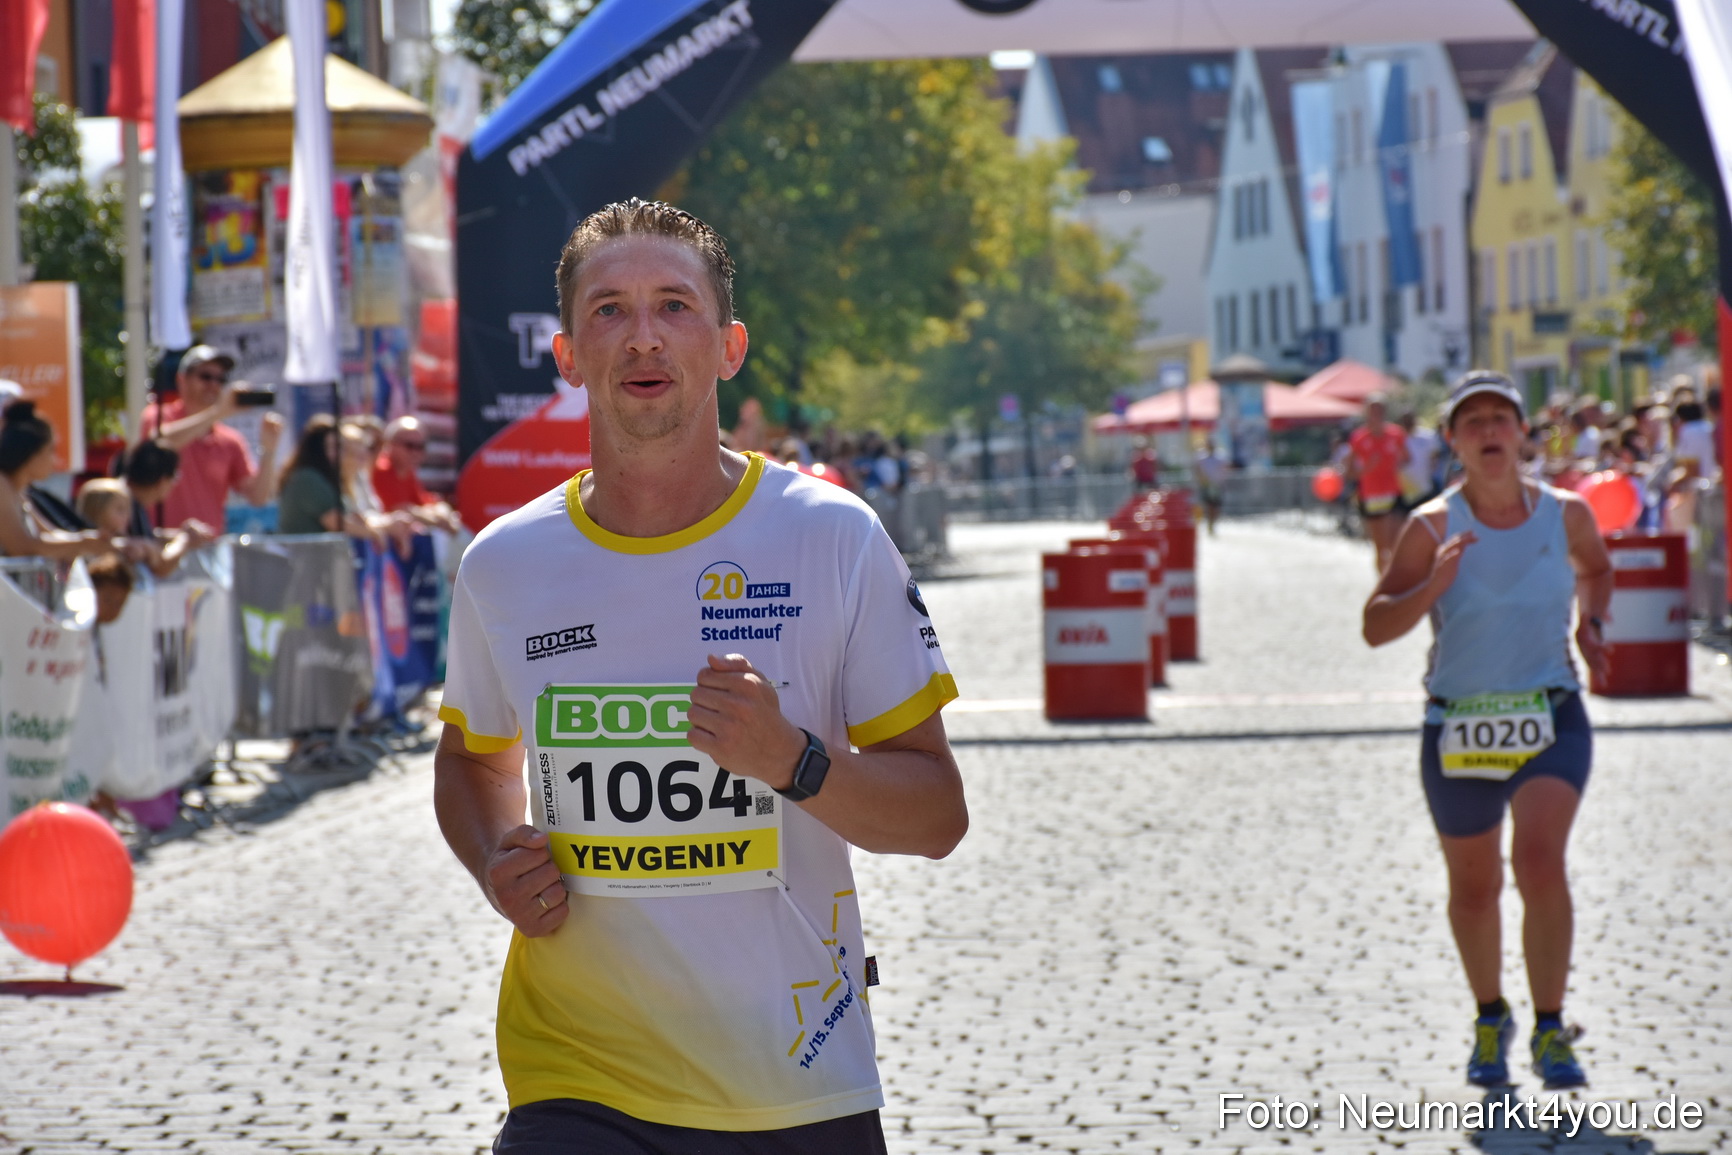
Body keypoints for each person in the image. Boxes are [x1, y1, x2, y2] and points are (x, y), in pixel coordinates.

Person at [433, 198, 967, 1154]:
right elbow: (470, 761)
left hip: (793, 1079)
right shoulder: (504, 564)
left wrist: (793, 761)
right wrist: (492, 862)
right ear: (568, 357)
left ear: (729, 346)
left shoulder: (832, 537)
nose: (643, 336)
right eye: (609, 310)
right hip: (573, 1076)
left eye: (674, 305)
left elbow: (937, 816)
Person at [1362, 370, 1612, 1092]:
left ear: (1523, 432)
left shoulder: (1565, 514)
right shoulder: (1430, 526)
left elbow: (1597, 570)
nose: (1490, 430)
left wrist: (1590, 624)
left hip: (1550, 712)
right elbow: (1375, 625)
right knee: (1474, 888)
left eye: (1502, 417)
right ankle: (1490, 1015)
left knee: (1539, 861)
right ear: (1452, 441)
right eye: (1473, 422)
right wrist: (1431, 587)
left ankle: (1550, 1026)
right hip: (1459, 725)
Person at [138, 345, 283, 531]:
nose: (213, 385)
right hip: (162, 540)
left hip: (210, 545)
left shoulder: (230, 440)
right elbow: (158, 444)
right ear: (182, 379)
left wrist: (269, 450)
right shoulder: (158, 416)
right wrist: (217, 412)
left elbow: (257, 497)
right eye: (205, 377)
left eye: (221, 379)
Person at [0, 400, 113, 561]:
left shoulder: (17, 490)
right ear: (31, 453)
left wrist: (90, 540)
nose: (55, 460)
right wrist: (82, 543)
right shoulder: (2, 485)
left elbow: (49, 534)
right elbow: (21, 547)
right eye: (51, 450)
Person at [1343, 393, 1410, 573]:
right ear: (1367, 412)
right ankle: (1383, 583)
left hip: (1394, 492)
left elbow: (1406, 458)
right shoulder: (1359, 438)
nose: (1377, 414)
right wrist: (1367, 468)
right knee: (1381, 548)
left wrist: (1396, 464)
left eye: (1380, 409)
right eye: (1373, 410)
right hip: (1372, 495)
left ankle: (1397, 581)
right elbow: (1348, 472)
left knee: (1397, 543)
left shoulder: (1396, 434)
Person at [372, 416, 463, 532]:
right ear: (390, 444)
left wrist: (441, 510)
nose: (415, 452)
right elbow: (397, 510)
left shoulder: (408, 472)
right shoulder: (380, 469)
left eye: (420, 447)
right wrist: (434, 518)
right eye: (409, 445)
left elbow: (425, 503)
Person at [1193, 441, 1227, 536]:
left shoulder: (1220, 456)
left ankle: (1212, 523)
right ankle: (1210, 523)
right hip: (1206, 485)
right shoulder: (1201, 457)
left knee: (1216, 506)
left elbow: (1224, 469)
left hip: (1217, 485)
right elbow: (1198, 470)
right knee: (1208, 505)